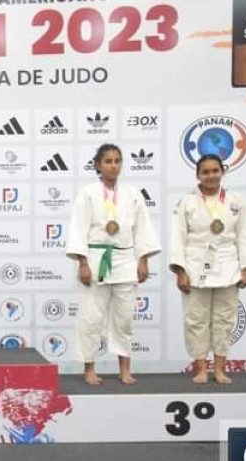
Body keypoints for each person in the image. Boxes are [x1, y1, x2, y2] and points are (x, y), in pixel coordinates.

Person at [67, 143, 160, 385]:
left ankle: (125, 369)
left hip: (126, 259)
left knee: (125, 319)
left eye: (117, 160)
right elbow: (79, 229)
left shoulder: (132, 194)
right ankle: (89, 369)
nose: (113, 165)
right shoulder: (87, 193)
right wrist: (82, 263)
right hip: (97, 258)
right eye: (108, 161)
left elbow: (143, 230)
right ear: (98, 165)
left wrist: (144, 260)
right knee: (91, 318)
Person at [169, 154, 246, 384]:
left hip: (228, 264)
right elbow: (178, 238)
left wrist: (245, 268)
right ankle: (201, 368)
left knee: (224, 318)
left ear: (222, 172)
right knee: (196, 318)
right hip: (195, 265)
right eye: (206, 172)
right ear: (198, 175)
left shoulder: (235, 201)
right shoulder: (187, 202)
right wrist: (180, 270)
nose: (211, 176)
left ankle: (220, 369)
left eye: (215, 171)